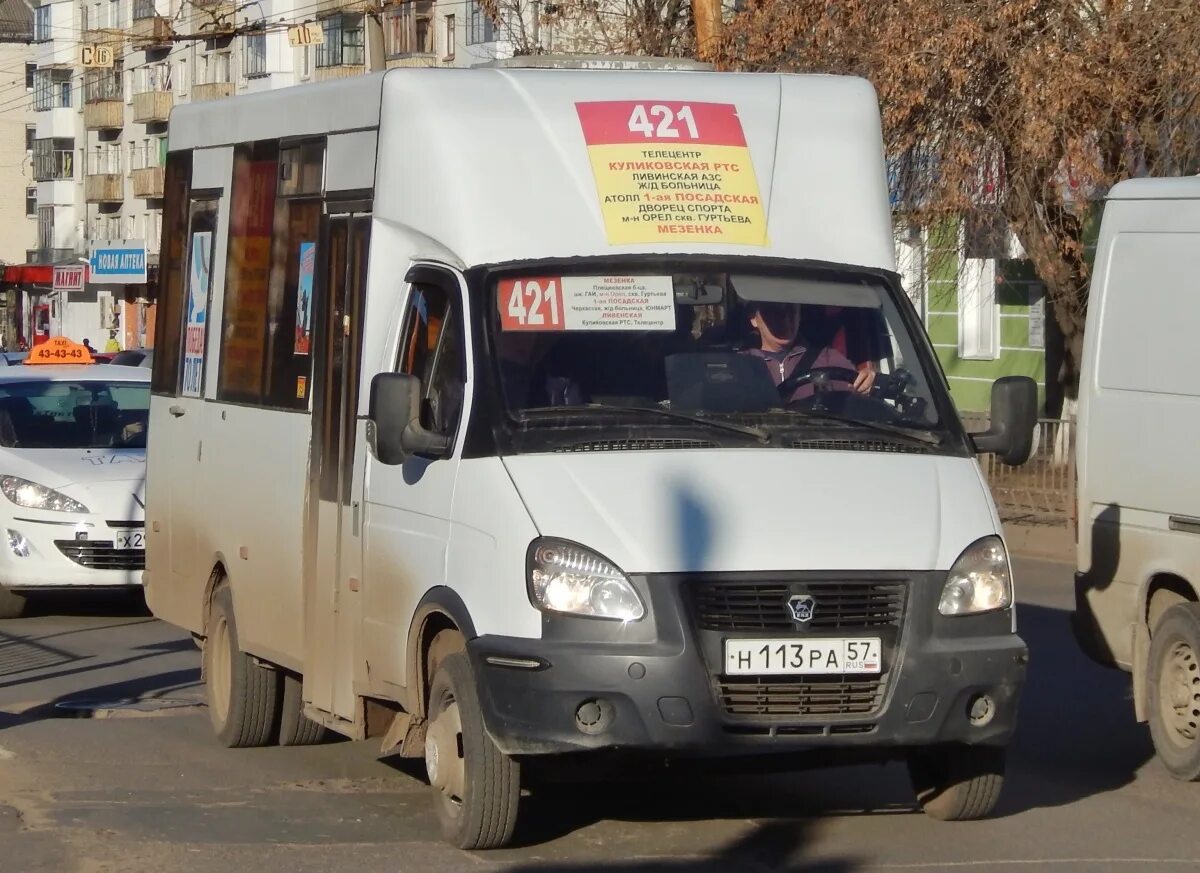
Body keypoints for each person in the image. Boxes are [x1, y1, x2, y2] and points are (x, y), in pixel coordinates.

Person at [740, 300, 872, 403]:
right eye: (775, 311)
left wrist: (868, 384)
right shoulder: (739, 365)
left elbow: (859, 397)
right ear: (754, 318)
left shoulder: (828, 358)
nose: (785, 318)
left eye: (792, 310)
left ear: (800, 315)